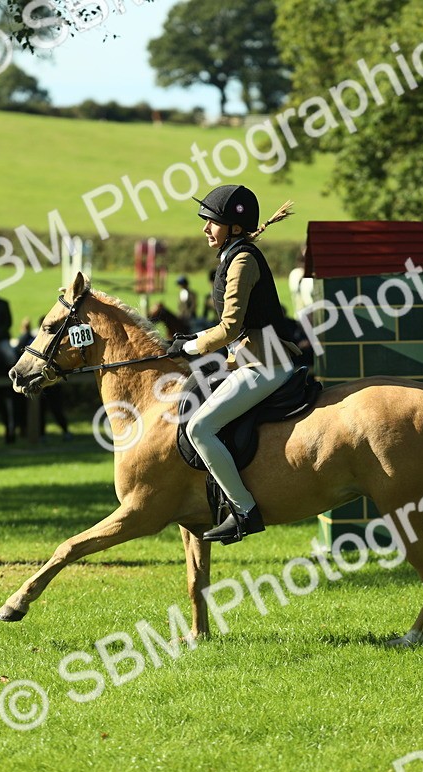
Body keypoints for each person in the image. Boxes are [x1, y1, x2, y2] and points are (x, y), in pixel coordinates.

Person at [168, 184, 299, 544]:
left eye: (211, 222)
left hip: (265, 363)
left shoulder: (242, 260)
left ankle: (243, 510)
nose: (205, 229)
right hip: (250, 358)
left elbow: (230, 326)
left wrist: (192, 344)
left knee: (200, 428)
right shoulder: (232, 256)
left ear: (235, 228)